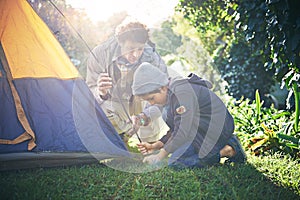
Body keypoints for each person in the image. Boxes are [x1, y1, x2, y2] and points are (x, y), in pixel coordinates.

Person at [132, 62, 246, 168]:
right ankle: (220, 149)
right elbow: (176, 128)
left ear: (162, 87)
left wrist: (159, 156)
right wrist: (156, 145)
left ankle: (229, 149)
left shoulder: (182, 93)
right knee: (177, 160)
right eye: (148, 101)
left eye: (151, 98)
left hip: (215, 130)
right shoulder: (169, 97)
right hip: (198, 130)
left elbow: (182, 130)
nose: (151, 103)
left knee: (177, 163)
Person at [86, 17, 168, 142]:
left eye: (140, 49)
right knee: (103, 111)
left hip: (140, 103)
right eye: (130, 48)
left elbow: (163, 96)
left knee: (151, 127)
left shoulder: (153, 59)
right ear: (120, 42)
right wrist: (100, 92)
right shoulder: (100, 54)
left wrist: (143, 117)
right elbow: (89, 90)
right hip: (114, 103)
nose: (135, 55)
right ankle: (119, 136)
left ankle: (148, 138)